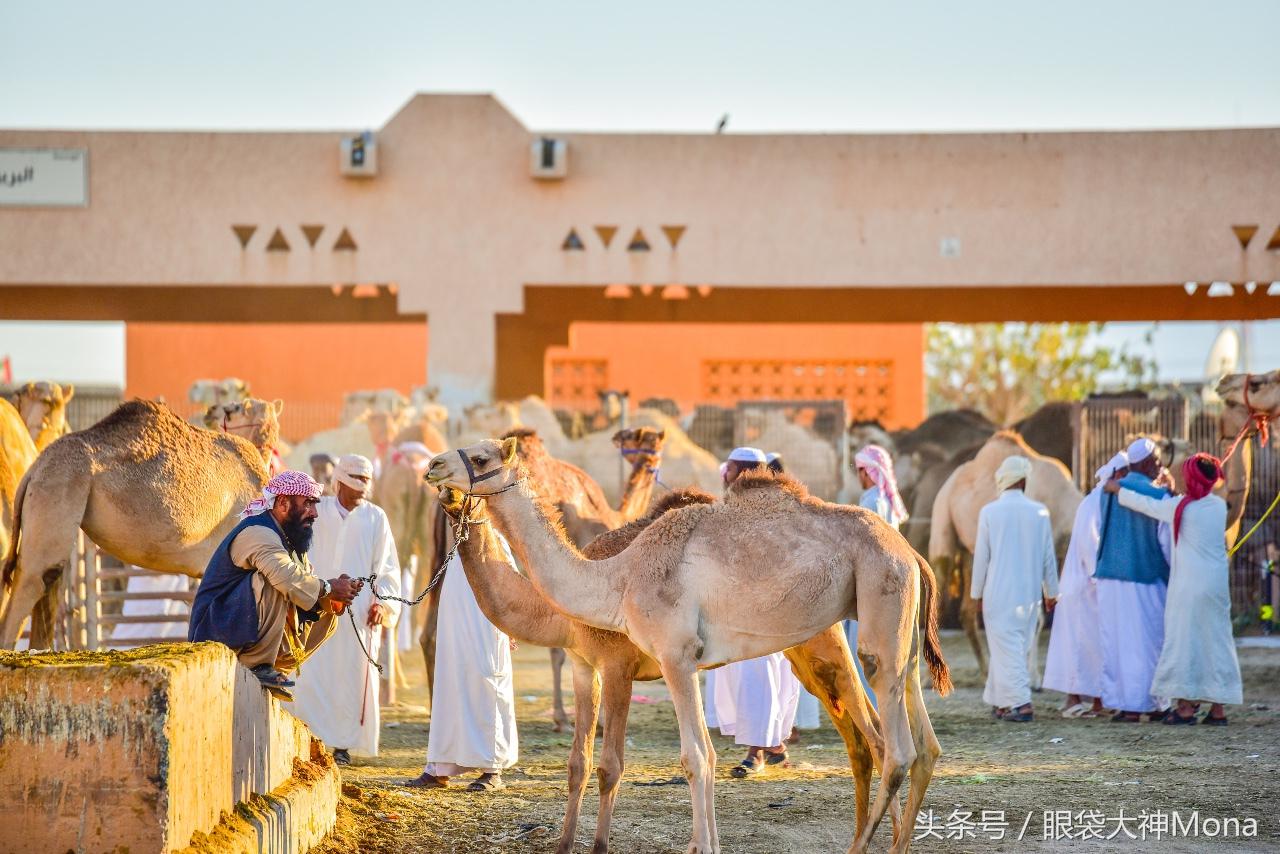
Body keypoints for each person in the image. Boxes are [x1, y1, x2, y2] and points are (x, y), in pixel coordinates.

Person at [188, 470, 362, 700]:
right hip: (214, 629)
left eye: (315, 504)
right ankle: (256, 665)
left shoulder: (288, 539)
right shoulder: (257, 532)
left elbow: (306, 585)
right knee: (277, 581)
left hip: (242, 626)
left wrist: (334, 594)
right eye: (308, 503)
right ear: (282, 503)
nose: (315, 513)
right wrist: (328, 587)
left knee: (329, 610)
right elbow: (287, 578)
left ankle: (276, 666)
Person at [1105, 453, 1243, 725]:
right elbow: (1185, 500)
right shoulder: (1217, 507)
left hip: (1188, 587)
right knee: (1217, 642)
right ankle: (1217, 710)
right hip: (1216, 587)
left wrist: (1117, 488)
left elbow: (1146, 504)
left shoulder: (1181, 507)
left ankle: (1185, 708)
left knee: (1185, 642)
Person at [291, 455, 402, 765]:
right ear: (338, 483)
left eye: (364, 489)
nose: (359, 495)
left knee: (352, 676)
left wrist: (383, 602)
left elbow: (387, 568)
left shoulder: (375, 518)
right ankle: (309, 740)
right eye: (353, 490)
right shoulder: (317, 512)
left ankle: (341, 746)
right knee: (312, 673)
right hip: (315, 605)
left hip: (360, 611)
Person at [406, 516, 519, 791]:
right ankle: (439, 768)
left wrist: (511, 626)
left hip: (486, 632)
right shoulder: (459, 546)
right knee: (450, 690)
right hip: (454, 634)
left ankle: (493, 770)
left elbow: (513, 586)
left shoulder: (496, 543)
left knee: (487, 688)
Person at [713, 447, 803, 776]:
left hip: (768, 608)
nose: (725, 474)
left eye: (731, 469)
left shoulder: (774, 508)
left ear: (745, 473)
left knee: (761, 675)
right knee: (748, 674)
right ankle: (774, 745)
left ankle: (756, 754)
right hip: (740, 606)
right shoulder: (732, 507)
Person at [970, 455, 1058, 722]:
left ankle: (1021, 704)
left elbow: (981, 559)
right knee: (1012, 649)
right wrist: (1051, 592)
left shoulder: (989, 512)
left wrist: (976, 594)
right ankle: (1000, 702)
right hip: (1030, 596)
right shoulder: (1040, 512)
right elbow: (1048, 557)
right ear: (1022, 480)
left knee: (1007, 649)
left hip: (998, 595)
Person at [1043, 451, 1128, 717]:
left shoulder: (1103, 500)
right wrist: (1101, 575)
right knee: (1082, 646)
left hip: (1088, 585)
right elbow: (1088, 543)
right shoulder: (1094, 503)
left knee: (1088, 646)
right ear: (1117, 475)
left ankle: (1095, 701)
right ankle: (1079, 700)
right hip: (1085, 586)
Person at [1094, 437, 1172, 723]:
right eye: (1158, 461)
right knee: (1148, 644)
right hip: (1146, 578)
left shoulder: (1108, 492)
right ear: (1148, 462)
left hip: (1110, 578)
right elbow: (1165, 544)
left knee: (1117, 643)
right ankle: (1151, 704)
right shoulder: (1158, 495)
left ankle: (1126, 706)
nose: (1160, 466)